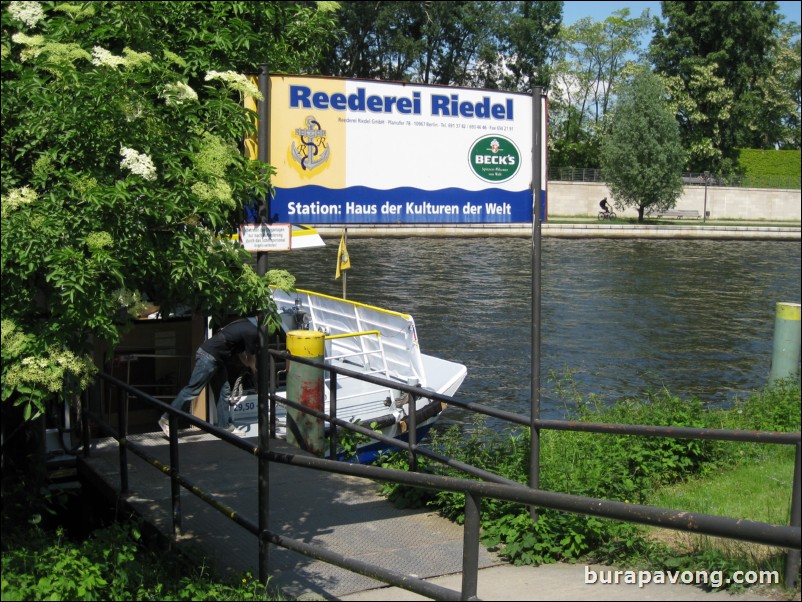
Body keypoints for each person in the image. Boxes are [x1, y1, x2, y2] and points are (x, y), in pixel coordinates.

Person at [158, 317, 258, 438]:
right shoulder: (252, 331)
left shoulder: (244, 323)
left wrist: (247, 365)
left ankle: (225, 426)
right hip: (209, 357)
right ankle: (166, 418)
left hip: (216, 359)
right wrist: (254, 369)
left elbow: (241, 352)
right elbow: (250, 357)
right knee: (192, 390)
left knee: (223, 391)